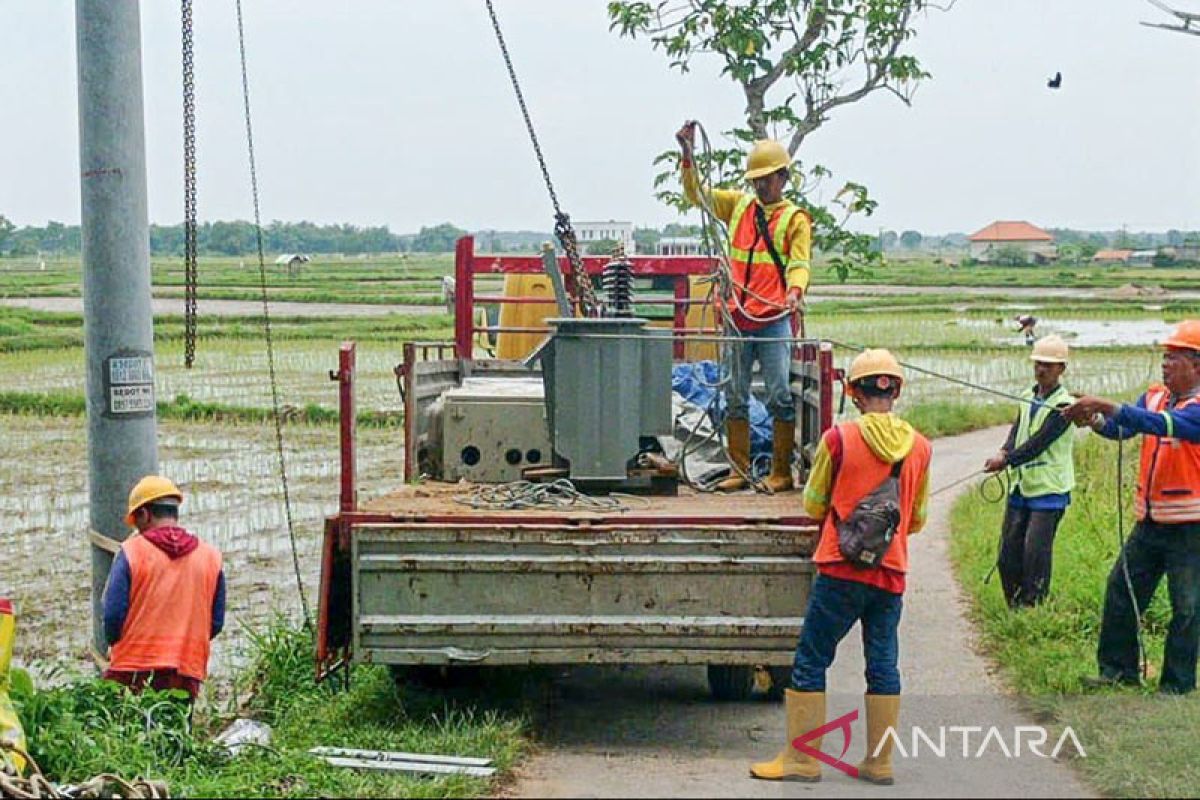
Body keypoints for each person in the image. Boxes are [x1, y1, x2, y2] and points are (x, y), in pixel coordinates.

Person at [750, 349, 931, 785]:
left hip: (840, 569)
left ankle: (801, 759)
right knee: (883, 664)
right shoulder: (921, 447)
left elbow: (813, 503)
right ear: (897, 390)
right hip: (891, 574)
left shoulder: (839, 439)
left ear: (852, 392)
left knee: (812, 659)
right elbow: (918, 520)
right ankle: (879, 762)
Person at [1064, 320, 1200, 694]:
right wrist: (1093, 418)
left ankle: (1177, 686)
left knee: (1187, 609)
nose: (1165, 364)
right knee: (1121, 591)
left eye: (1174, 357)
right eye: (1165, 357)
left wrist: (1108, 405)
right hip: (1151, 522)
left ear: (1197, 364)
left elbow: (1162, 424)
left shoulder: (1196, 409)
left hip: (1191, 527)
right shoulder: (1155, 395)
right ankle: (1117, 672)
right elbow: (1121, 429)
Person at [676, 121, 812, 493]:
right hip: (737, 317)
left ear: (783, 177)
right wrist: (687, 157)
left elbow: (799, 263)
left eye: (766, 179)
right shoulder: (738, 207)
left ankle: (781, 472)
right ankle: (738, 469)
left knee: (779, 393)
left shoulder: (794, 219)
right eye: (756, 180)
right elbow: (696, 195)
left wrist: (795, 291)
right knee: (734, 393)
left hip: (773, 320)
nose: (760, 185)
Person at [102, 476, 225, 702]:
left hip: (132, 670)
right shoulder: (210, 556)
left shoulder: (131, 552)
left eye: (137, 521)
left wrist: (114, 642)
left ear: (145, 514)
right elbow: (215, 622)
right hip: (185, 669)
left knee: (129, 734)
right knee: (176, 732)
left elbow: (112, 615)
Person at [983, 334, 1076, 607]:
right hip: (1021, 486)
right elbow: (1018, 432)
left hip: (1049, 489)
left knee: (1035, 554)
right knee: (1008, 554)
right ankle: (1015, 608)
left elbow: (1037, 444)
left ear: (1061, 369)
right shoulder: (1028, 396)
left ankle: (1034, 609)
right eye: (1038, 363)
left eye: (1049, 364)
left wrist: (1007, 460)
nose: (1042, 369)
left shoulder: (1064, 406)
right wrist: (1004, 450)